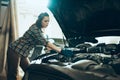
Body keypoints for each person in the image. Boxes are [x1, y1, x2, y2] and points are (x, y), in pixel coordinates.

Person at [7, 12, 73, 80]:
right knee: (13, 73)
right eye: (45, 21)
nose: (47, 23)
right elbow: (45, 42)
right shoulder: (35, 30)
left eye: (48, 21)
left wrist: (56, 49)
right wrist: (61, 51)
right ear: (39, 20)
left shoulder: (39, 29)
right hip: (15, 50)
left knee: (29, 70)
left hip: (23, 53)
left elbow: (44, 43)